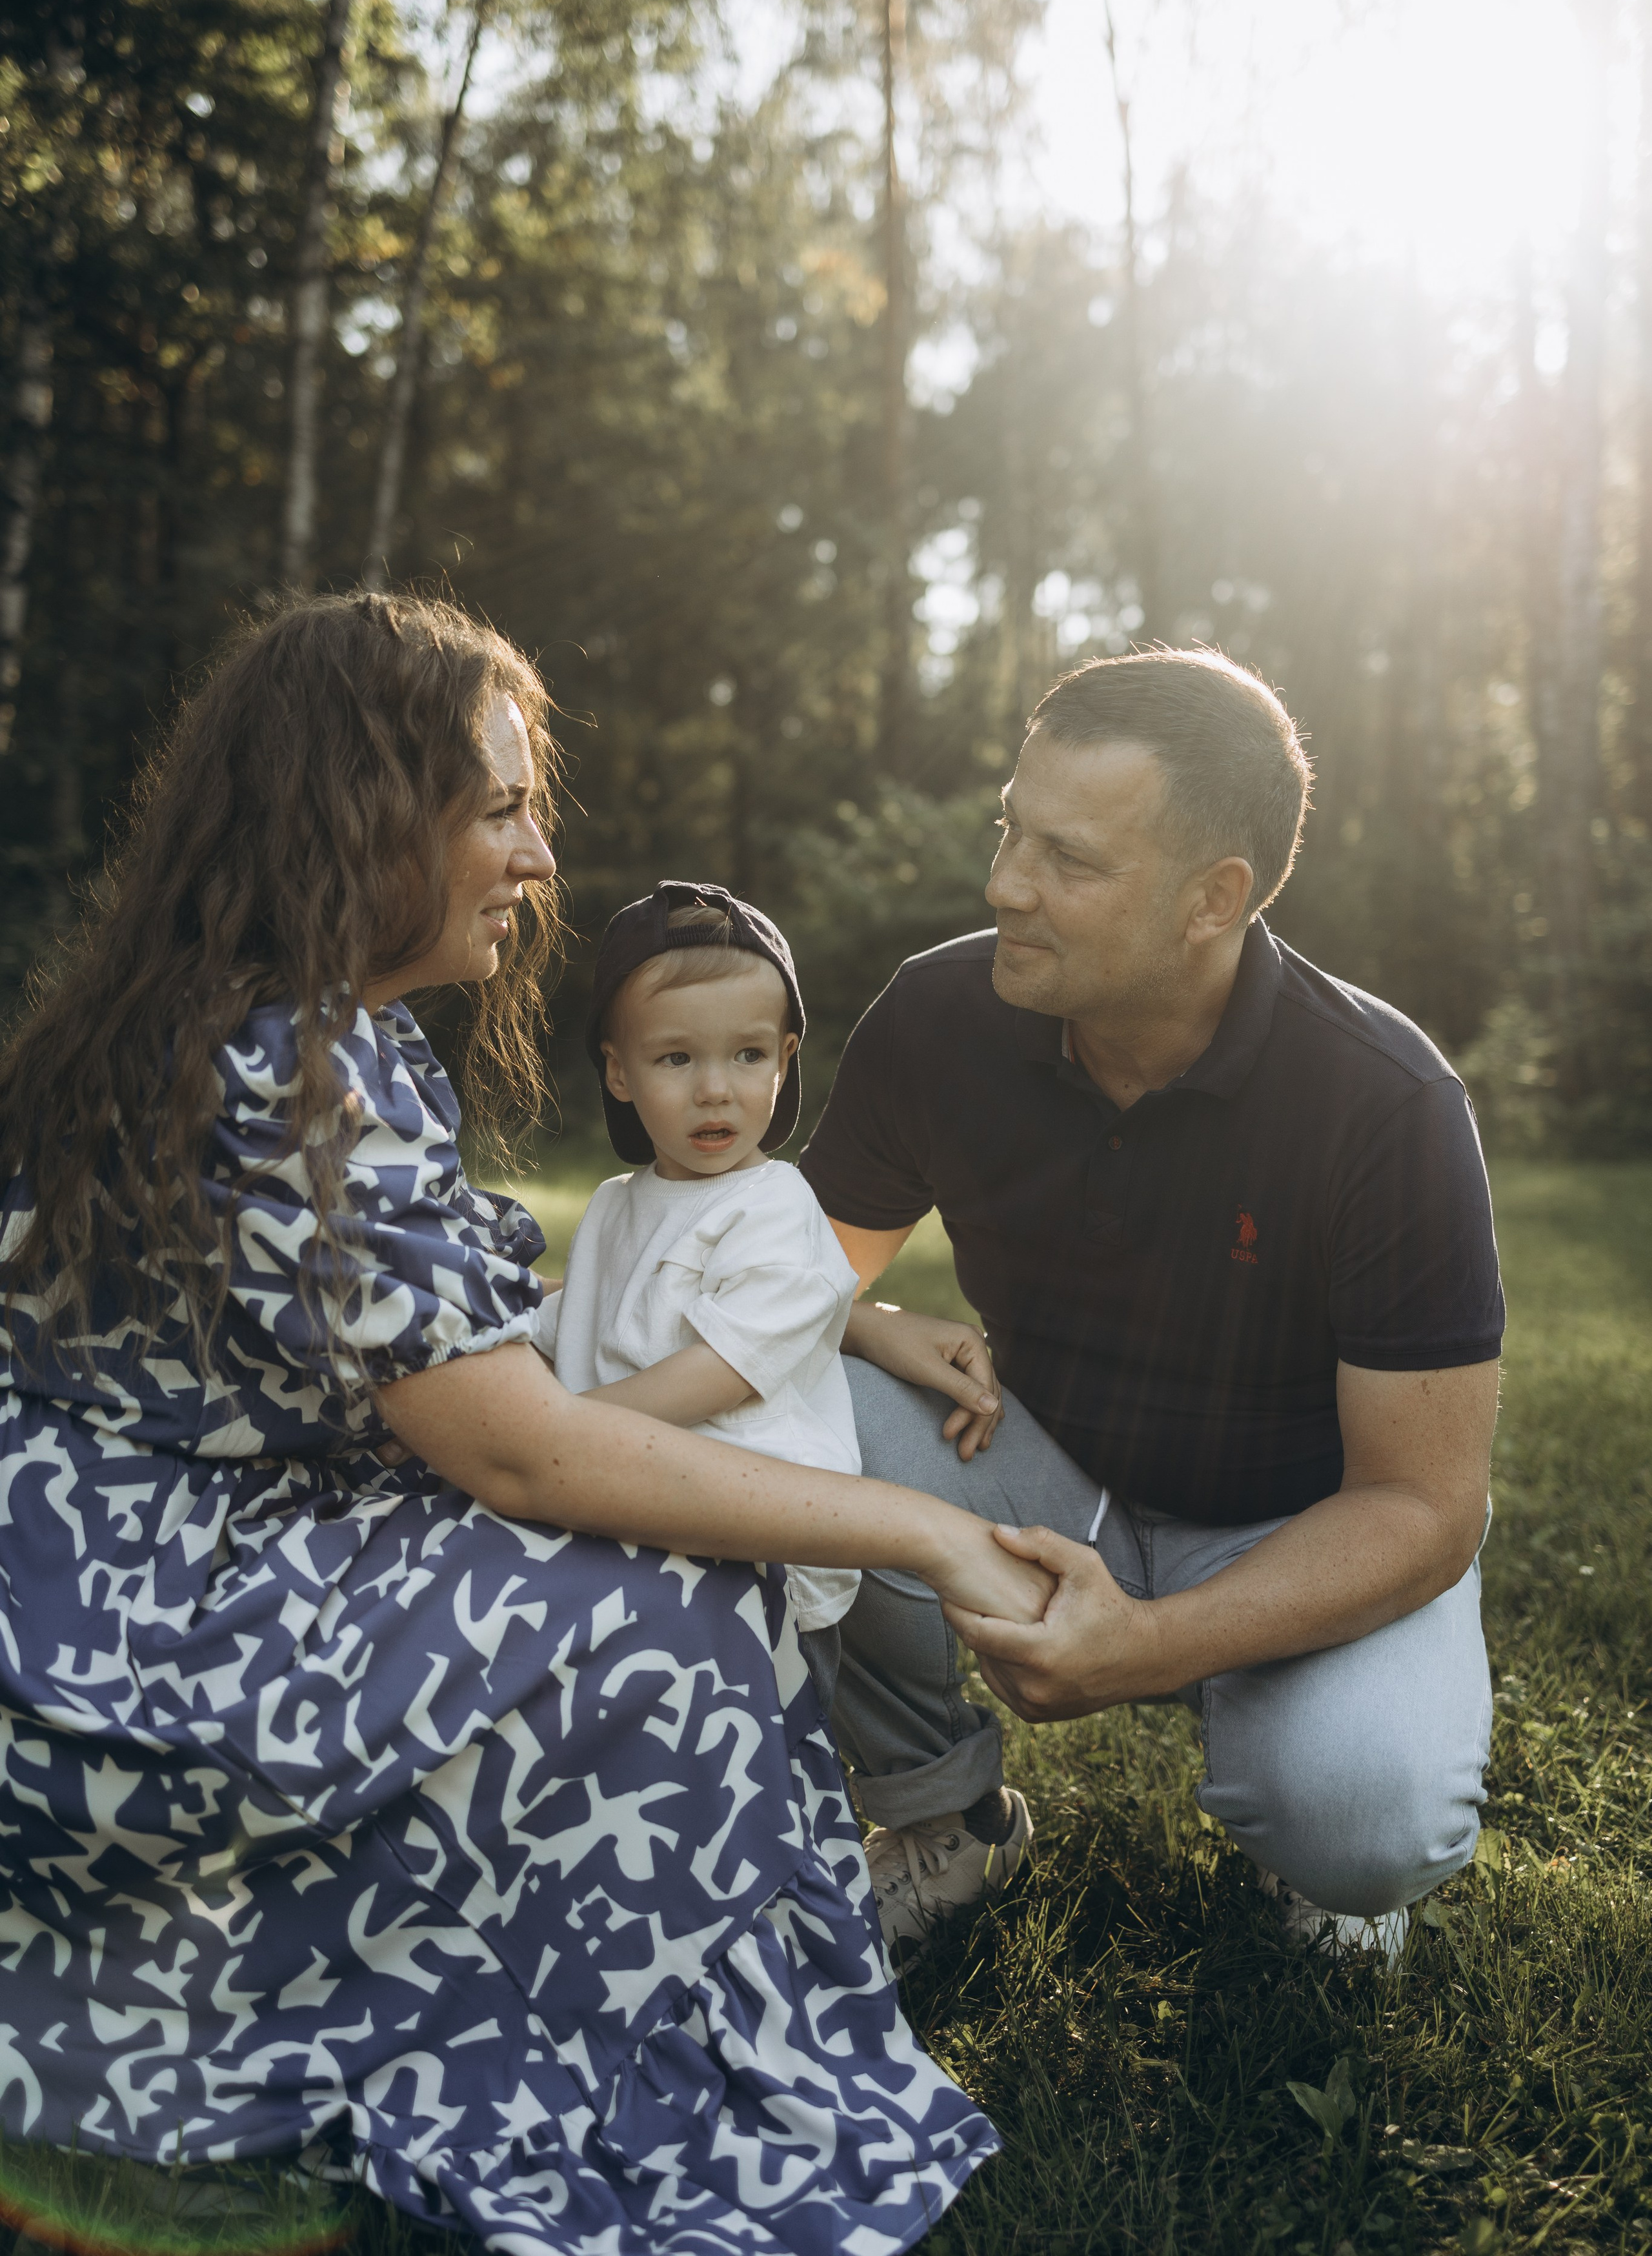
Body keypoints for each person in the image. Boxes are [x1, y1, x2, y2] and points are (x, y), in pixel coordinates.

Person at [0, 591, 1054, 2256]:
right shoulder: (304, 1065)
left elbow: (472, 1366)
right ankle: (559, 2054)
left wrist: (854, 1318)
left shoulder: (250, 1018)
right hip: (133, 1632)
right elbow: (520, 1447)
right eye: (499, 807)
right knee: (677, 1608)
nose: (538, 856)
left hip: (111, 1572)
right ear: (359, 810)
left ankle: (580, 1996)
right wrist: (927, 1530)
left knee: (672, 1579)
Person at [800, 647, 1504, 1964]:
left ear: (1209, 899)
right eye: (1010, 830)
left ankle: (1298, 1769)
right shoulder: (936, 1017)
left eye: (1067, 860)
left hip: (1297, 1522)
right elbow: (784, 1285)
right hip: (1035, 1471)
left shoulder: (1381, 1104)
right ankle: (941, 1822)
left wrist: (1145, 1646)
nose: (1004, 884)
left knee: (1364, 1830)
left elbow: (1423, 1504)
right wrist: (871, 1323)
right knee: (773, 1404)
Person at [534, 881, 863, 1713]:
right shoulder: (617, 1203)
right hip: (632, 1506)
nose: (716, 1089)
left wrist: (566, 1434)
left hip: (760, 1538)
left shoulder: (776, 1208)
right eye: (677, 1058)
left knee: (765, 1734)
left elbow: (720, 1373)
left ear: (786, 1060)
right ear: (619, 1071)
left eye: (748, 1057)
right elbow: (585, 1320)